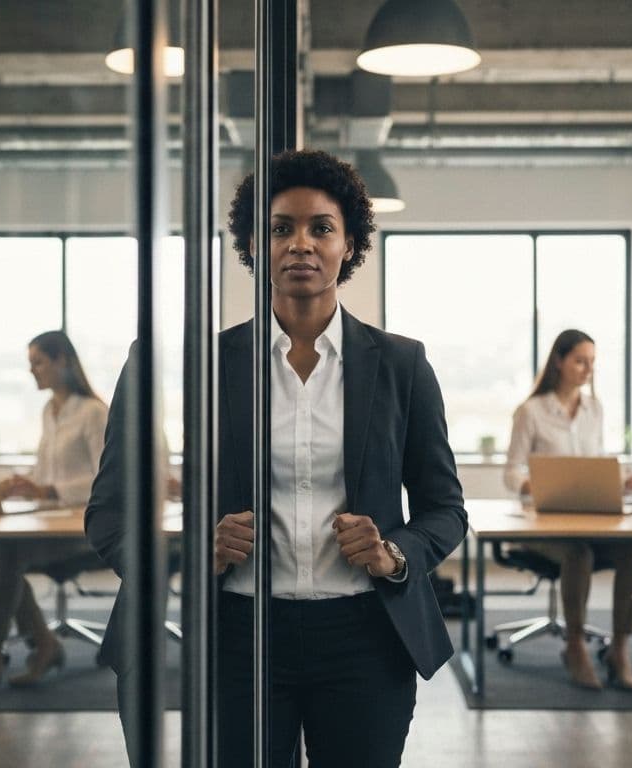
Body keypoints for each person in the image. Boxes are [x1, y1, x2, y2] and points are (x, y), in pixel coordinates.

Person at [86, 150, 467, 767]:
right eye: (280, 227)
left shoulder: (402, 365)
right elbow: (109, 515)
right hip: (233, 637)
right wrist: (188, 555)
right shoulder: (194, 365)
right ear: (254, 244)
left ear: (350, 244)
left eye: (321, 228)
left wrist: (394, 553)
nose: (300, 244)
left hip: (365, 638)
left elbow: (445, 510)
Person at [0, 330, 107, 695]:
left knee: (10, 553)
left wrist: (48, 490)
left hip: (85, 531)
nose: (32, 370)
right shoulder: (50, 411)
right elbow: (46, 474)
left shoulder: (94, 413)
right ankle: (45, 642)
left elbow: (106, 479)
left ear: (62, 360)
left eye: (38, 362)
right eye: (30, 363)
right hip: (50, 524)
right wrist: (21, 483)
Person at [503, 329, 632, 691]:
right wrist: (533, 484)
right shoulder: (531, 411)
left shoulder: (594, 410)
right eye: (581, 361)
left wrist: (623, 481)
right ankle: (576, 646)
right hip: (544, 529)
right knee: (577, 553)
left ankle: (620, 648)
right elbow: (511, 471)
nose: (588, 369)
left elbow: (595, 462)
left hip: (589, 521)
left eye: (593, 362)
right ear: (559, 361)